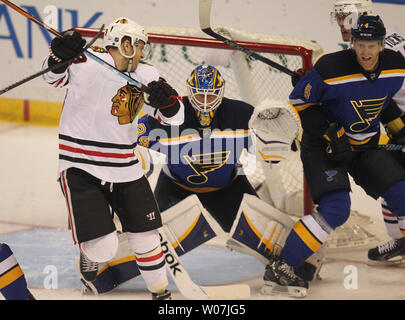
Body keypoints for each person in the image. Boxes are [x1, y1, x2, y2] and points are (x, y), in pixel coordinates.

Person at [73, 65, 319, 297]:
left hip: (228, 188)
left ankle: (299, 261)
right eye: (199, 96)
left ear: (221, 95)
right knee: (150, 241)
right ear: (189, 93)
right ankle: (101, 265)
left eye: (210, 96)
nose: (204, 103)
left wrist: (280, 141)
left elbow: (269, 151)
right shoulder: (168, 117)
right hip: (176, 187)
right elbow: (127, 140)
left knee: (264, 232)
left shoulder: (241, 115)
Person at [41, 17, 185, 300]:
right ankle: (91, 253)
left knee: (147, 238)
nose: (144, 53)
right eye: (141, 46)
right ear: (126, 44)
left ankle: (159, 292)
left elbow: (177, 116)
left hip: (126, 168)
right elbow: (51, 77)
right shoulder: (85, 62)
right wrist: (58, 56)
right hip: (81, 166)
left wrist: (166, 101)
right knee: (103, 249)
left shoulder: (146, 74)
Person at [263, 15, 405, 297]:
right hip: (323, 147)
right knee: (335, 210)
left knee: (402, 191)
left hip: (365, 145)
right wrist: (329, 130)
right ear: (352, 43)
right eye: (360, 44)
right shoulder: (330, 67)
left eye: (372, 45)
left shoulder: (395, 67)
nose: (365, 52)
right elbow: (299, 104)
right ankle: (282, 266)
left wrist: (399, 128)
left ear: (382, 45)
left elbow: (382, 100)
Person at [331, 0, 405, 263]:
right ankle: (401, 240)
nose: (342, 22)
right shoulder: (382, 36)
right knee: (392, 181)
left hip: (401, 124)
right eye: (338, 16)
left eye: (346, 16)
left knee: (391, 178)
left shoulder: (379, 46)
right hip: (398, 125)